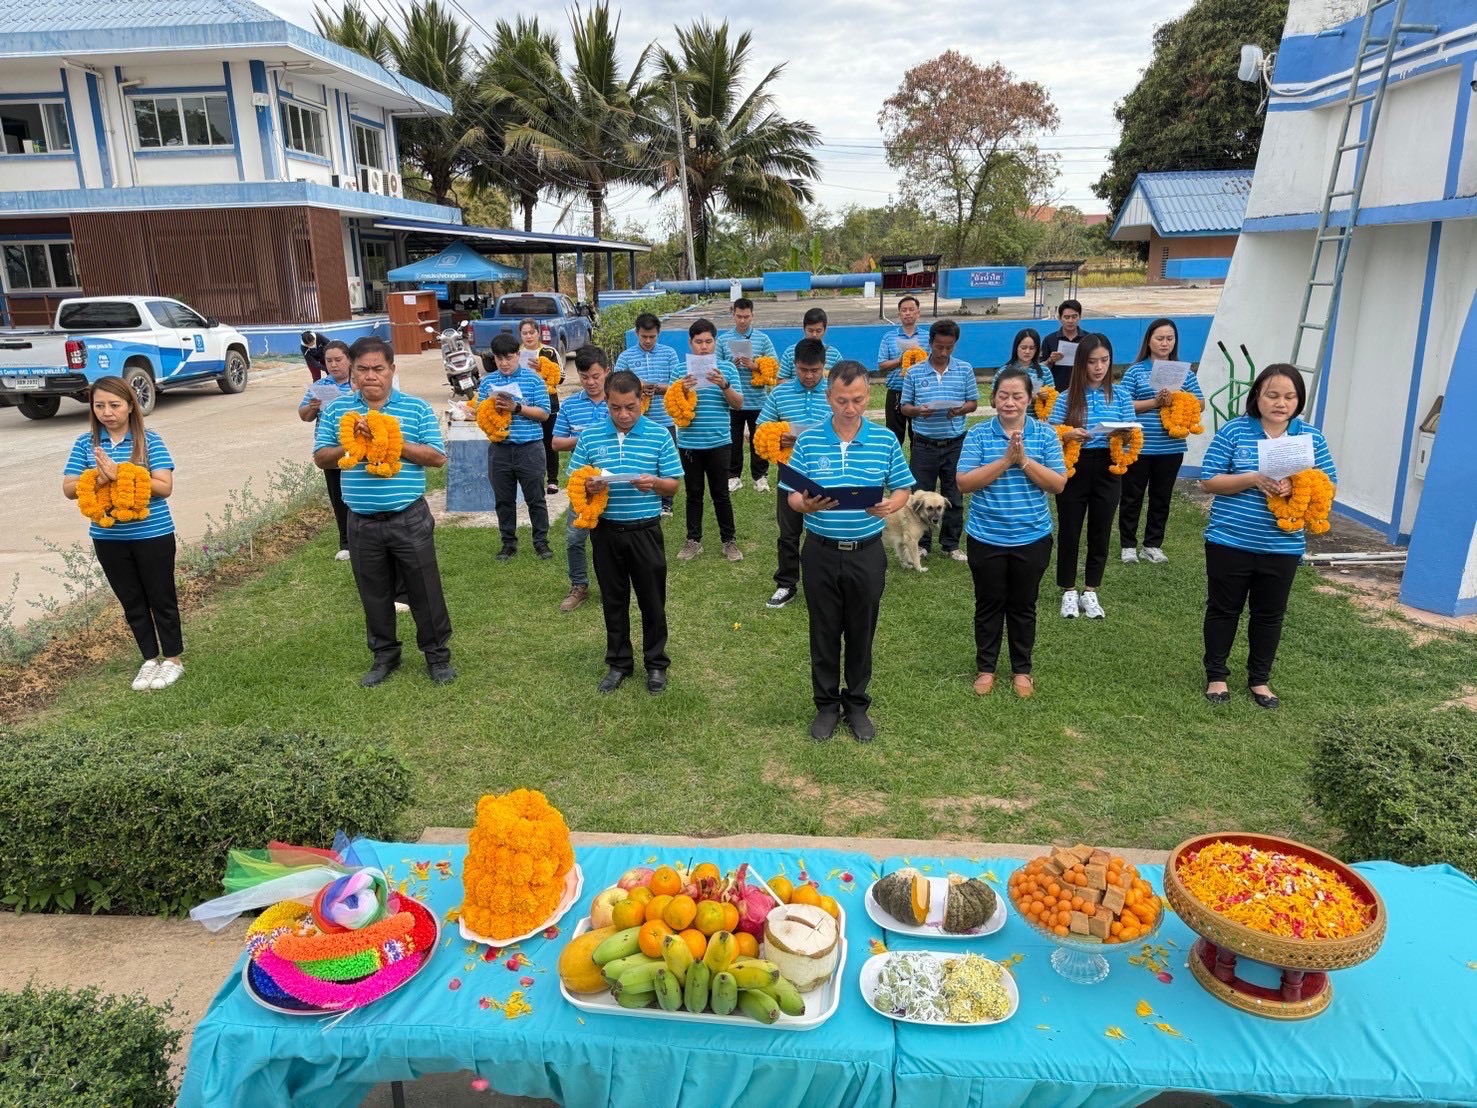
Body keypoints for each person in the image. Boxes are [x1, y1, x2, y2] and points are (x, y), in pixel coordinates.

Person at [784, 360, 914, 743]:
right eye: (842, 400)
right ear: (829, 398)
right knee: (823, 630)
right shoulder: (808, 441)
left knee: (861, 630)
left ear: (867, 395)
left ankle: (856, 704)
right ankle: (826, 704)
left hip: (866, 552)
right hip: (821, 551)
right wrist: (804, 505)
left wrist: (892, 504)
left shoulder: (885, 440)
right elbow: (792, 494)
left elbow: (903, 487)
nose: (850, 407)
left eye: (857, 399)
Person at [313, 337, 454, 686]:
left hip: (408, 516)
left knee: (424, 589)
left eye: (378, 368)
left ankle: (437, 656)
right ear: (352, 372)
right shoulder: (337, 412)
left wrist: (389, 439)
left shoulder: (415, 408)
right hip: (360, 520)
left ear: (392, 370)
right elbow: (321, 457)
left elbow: (437, 457)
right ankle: (384, 655)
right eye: (363, 369)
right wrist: (355, 442)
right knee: (373, 592)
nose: (371, 376)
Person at [1199, 365, 1336, 709]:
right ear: (1257, 396)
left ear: (1299, 400)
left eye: (1289, 397)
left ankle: (1260, 680)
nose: (1280, 403)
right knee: (1223, 609)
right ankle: (1216, 675)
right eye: (1272, 395)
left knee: (1269, 614)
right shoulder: (1234, 431)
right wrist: (1252, 478)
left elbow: (1329, 483)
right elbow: (1208, 480)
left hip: (1283, 545)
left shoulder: (1310, 438)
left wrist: (1298, 483)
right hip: (1230, 540)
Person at [62, 376, 183, 691]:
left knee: (161, 597)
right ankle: (149, 659)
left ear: (131, 405)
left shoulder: (149, 440)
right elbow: (69, 488)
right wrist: (99, 479)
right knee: (131, 600)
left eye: (114, 405)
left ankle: (172, 660)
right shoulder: (86, 443)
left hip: (152, 533)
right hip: (109, 537)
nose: (107, 412)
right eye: (99, 405)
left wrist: (123, 473)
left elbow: (165, 486)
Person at [957, 368, 1068, 699]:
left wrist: (1024, 461)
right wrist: (1006, 460)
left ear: (1029, 399)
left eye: (1017, 396)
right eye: (1003, 396)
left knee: (1023, 605)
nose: (1009, 402)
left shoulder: (1045, 435)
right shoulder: (977, 435)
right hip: (986, 536)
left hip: (1031, 536)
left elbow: (1058, 484)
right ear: (993, 399)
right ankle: (986, 668)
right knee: (988, 604)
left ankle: (1022, 670)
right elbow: (964, 483)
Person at [570, 370, 683, 695]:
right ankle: (619, 662)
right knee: (613, 599)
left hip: (644, 530)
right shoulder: (591, 437)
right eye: (615, 407)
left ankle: (656, 664)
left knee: (652, 600)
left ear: (641, 401)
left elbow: (673, 484)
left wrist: (656, 484)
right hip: (606, 532)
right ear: (606, 403)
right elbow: (576, 479)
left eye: (630, 407)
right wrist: (589, 485)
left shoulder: (659, 434)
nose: (623, 414)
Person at [1048, 334, 1135, 620]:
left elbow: (1132, 431)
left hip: (1109, 466)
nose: (1099, 367)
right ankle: (1069, 590)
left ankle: (1091, 589)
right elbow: (1050, 433)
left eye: (1104, 361)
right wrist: (1069, 433)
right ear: (1081, 363)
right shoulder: (1066, 397)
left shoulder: (1120, 395)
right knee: (1071, 528)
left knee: (1101, 529)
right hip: (1076, 466)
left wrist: (1122, 433)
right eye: (1092, 361)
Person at [1116, 319, 1205, 565]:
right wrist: (1155, 402)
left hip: (1171, 446)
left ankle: (1152, 545)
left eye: (1169, 338)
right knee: (1132, 496)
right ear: (1149, 341)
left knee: (1161, 497)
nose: (1165, 343)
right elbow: (1123, 405)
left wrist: (1177, 398)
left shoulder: (1183, 372)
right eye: (1159, 338)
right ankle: (1128, 545)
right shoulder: (1136, 371)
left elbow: (1201, 403)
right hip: (1140, 444)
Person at [756, 337, 830, 609]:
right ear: (794, 366)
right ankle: (786, 583)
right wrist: (779, 437)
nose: (809, 376)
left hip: (827, 470)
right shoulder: (780, 393)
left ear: (824, 365)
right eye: (803, 370)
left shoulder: (833, 392)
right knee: (788, 531)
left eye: (815, 370)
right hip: (790, 472)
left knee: (824, 529)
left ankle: (822, 581)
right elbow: (761, 427)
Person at [899, 319, 978, 561]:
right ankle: (922, 543)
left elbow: (973, 402)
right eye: (939, 346)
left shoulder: (964, 370)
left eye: (949, 347)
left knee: (954, 494)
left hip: (955, 442)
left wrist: (961, 409)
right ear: (931, 342)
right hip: (924, 443)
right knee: (920, 496)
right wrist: (918, 411)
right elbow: (904, 407)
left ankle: (951, 544)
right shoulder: (914, 372)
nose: (943, 352)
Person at [673, 318, 746, 563]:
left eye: (708, 341)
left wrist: (724, 384)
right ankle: (693, 540)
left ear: (715, 342)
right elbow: (673, 409)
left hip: (719, 442)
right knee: (693, 493)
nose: (703, 347)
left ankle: (729, 541)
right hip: (689, 444)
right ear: (690, 343)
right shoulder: (679, 371)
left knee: (721, 493)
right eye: (698, 342)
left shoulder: (727, 369)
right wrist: (681, 390)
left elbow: (738, 404)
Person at [478, 333, 551, 562]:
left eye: (508, 358)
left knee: (535, 498)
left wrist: (516, 408)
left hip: (529, 448)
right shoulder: (488, 382)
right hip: (499, 449)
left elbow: (544, 414)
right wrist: (492, 414)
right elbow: (482, 415)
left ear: (518, 355)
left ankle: (541, 543)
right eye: (499, 359)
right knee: (503, 500)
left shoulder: (534, 380)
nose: (504, 363)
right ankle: (508, 543)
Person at [551, 345, 610, 612]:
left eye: (596, 376)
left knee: (611, 538)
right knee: (576, 536)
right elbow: (556, 442)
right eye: (584, 377)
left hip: (613, 480)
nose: (591, 382)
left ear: (606, 372)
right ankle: (579, 585)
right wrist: (586, 438)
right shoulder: (571, 405)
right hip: (582, 483)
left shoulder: (617, 401)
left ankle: (613, 584)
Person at [615, 313, 681, 515]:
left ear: (658, 334)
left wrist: (660, 389)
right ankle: (636, 496)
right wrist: (639, 387)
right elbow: (616, 383)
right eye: (644, 336)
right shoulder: (626, 356)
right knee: (637, 458)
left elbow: (678, 385)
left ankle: (666, 503)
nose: (648, 340)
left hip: (664, 417)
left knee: (665, 461)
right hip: (634, 421)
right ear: (637, 333)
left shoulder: (669, 354)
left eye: (652, 336)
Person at [298, 340, 355, 559]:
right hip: (330, 449)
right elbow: (304, 416)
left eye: (338, 360)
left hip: (356, 446)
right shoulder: (320, 386)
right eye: (328, 361)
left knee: (358, 491)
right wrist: (311, 407)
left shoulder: (358, 383)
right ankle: (346, 543)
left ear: (349, 360)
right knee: (338, 496)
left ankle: (365, 538)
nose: (333, 365)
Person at [718, 297, 779, 494]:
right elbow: (716, 367)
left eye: (746, 316)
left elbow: (774, 366)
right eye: (739, 316)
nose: (742, 320)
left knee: (758, 439)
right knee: (733, 440)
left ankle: (760, 477)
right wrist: (730, 366)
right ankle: (733, 476)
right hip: (732, 400)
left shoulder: (763, 339)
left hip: (758, 399)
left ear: (752, 316)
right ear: (733, 315)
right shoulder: (723, 340)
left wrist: (755, 365)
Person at [518, 318, 564, 494]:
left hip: (548, 403)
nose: (528, 336)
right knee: (529, 442)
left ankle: (552, 480)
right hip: (525, 403)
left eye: (532, 332)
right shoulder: (517, 353)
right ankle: (532, 478)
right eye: (524, 333)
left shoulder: (549, 351)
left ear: (538, 333)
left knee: (549, 442)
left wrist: (543, 367)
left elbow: (561, 377)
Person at [876, 295, 929, 446]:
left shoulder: (927, 337)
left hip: (920, 392)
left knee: (918, 436)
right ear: (899, 314)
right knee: (894, 436)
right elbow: (881, 366)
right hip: (896, 391)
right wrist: (901, 360)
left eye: (911, 309)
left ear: (918, 313)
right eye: (904, 310)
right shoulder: (889, 337)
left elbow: (933, 363)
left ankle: (917, 468)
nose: (908, 313)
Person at [778, 307, 843, 381]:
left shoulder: (834, 355)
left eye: (818, 331)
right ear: (804, 328)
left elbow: (842, 380)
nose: (814, 335)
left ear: (825, 329)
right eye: (810, 330)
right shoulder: (790, 352)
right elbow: (781, 379)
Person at [1041, 299, 1085, 390]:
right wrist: (1050, 360)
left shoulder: (1088, 339)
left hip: (1083, 389)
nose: (1070, 321)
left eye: (1074, 317)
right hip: (1057, 390)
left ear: (1079, 317)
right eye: (1066, 317)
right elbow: (1041, 369)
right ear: (1059, 318)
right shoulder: (1049, 340)